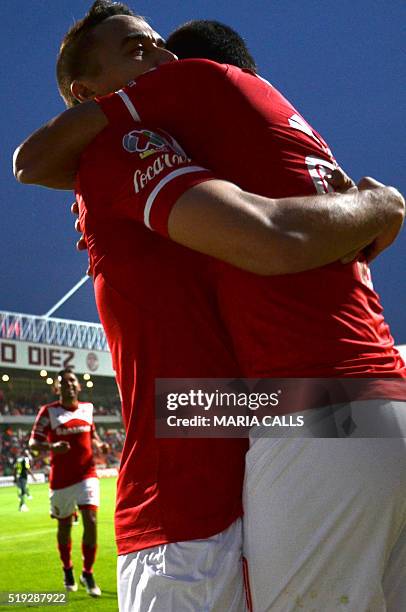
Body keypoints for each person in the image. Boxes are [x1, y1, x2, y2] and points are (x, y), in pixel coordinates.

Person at [14, 3, 406, 610]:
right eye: (138, 50)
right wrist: (379, 208)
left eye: (162, 47)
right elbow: (274, 238)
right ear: (85, 92)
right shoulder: (123, 146)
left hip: (259, 464)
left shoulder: (197, 172)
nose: (166, 59)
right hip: (182, 520)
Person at [29, 367, 109, 598]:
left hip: (87, 474)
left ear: (79, 386)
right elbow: (34, 444)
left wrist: (99, 444)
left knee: (91, 521)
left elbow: (91, 433)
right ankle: (68, 569)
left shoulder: (88, 409)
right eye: (64, 382)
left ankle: (88, 572)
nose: (69, 385)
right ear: (57, 388)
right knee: (64, 527)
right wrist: (52, 447)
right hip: (61, 480)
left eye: (72, 381)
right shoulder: (48, 412)